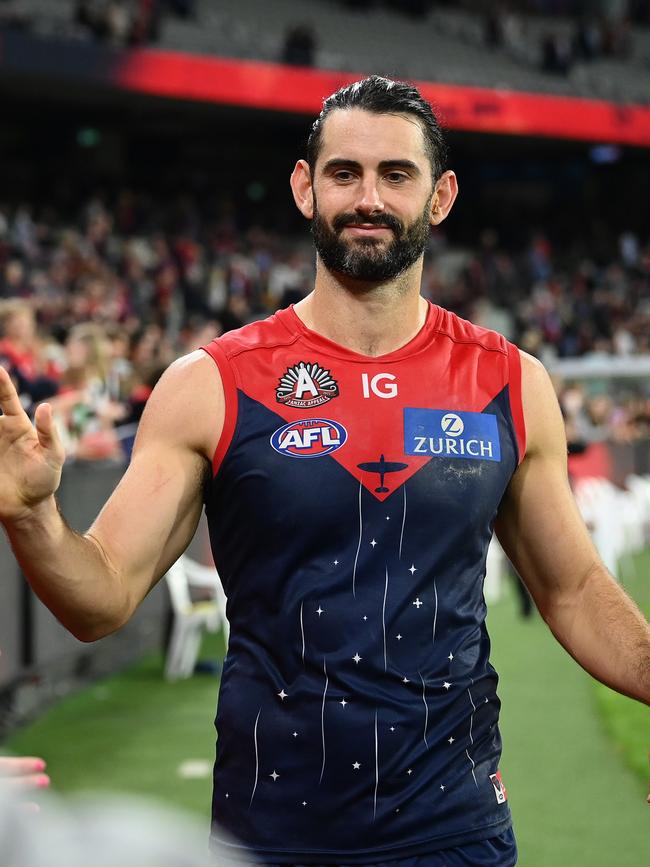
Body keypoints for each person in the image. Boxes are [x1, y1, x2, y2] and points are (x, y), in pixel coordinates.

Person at [0, 75, 648, 865]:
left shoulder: (510, 383)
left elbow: (573, 587)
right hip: (269, 833)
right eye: (344, 172)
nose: (367, 197)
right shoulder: (212, 383)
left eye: (395, 175)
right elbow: (100, 596)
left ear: (440, 197)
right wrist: (32, 515)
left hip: (457, 829)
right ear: (306, 187)